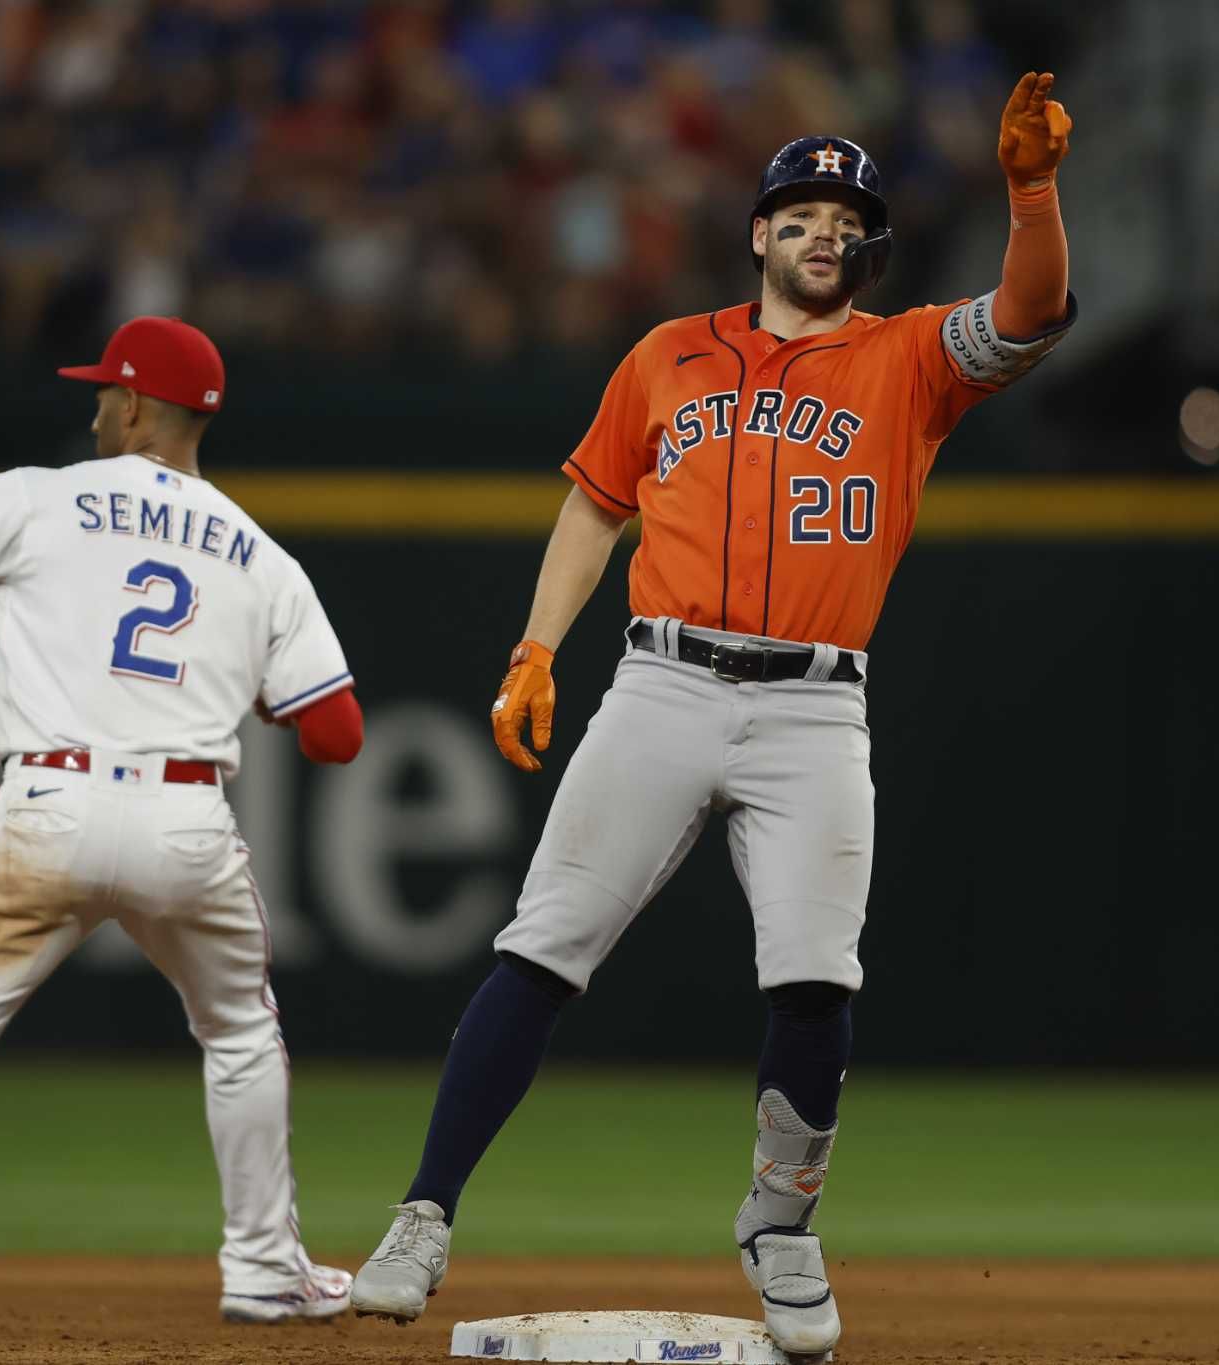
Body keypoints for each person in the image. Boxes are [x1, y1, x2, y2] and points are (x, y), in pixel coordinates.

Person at [349, 73, 1076, 1358]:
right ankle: (422, 1214)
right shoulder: (667, 355)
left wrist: (1029, 194)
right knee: (541, 947)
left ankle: (780, 1224)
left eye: (844, 218)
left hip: (813, 706)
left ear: (867, 245)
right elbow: (593, 502)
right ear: (757, 233)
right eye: (797, 214)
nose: (821, 234)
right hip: (663, 681)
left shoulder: (909, 359)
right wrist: (533, 646)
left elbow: (1028, 315)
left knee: (815, 982)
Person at [0, 316, 366, 1329]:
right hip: (185, 821)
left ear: (130, 404)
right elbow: (335, 733)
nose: (91, 406)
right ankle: (259, 1271)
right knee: (241, 1035)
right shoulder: (262, 555)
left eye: (101, 392)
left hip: (47, 809)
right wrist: (242, 683)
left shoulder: (35, 494)